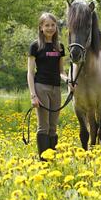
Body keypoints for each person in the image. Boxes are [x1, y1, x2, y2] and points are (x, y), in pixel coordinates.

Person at [27, 12, 71, 159]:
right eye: (47, 25)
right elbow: (30, 73)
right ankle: (43, 160)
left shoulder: (59, 46)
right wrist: (33, 95)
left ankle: (52, 158)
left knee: (53, 126)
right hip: (41, 87)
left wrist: (68, 80)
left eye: (53, 25)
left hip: (56, 89)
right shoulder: (35, 46)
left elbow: (61, 71)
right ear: (41, 27)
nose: (50, 28)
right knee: (43, 126)